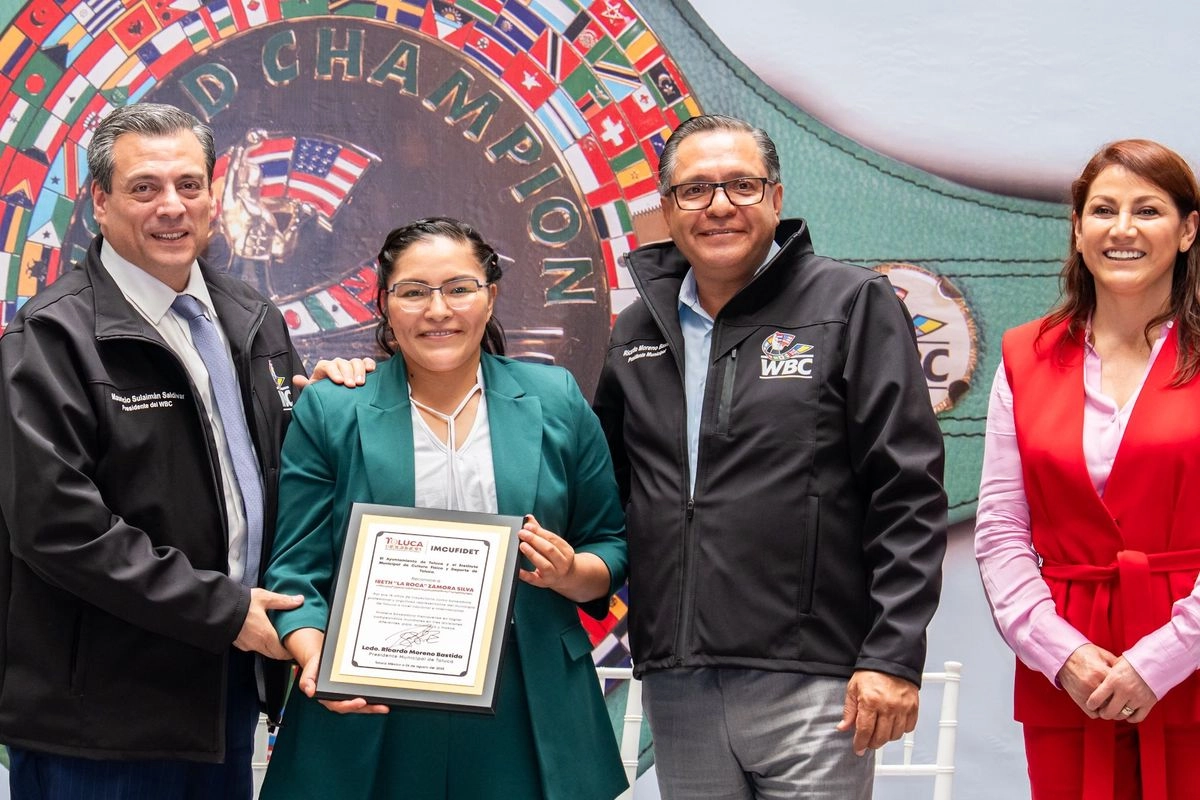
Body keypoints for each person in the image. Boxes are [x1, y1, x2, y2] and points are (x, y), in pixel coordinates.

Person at [0, 102, 371, 800]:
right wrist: (223, 611)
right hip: (100, 719)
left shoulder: (252, 321)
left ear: (212, 197)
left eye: (189, 185)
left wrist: (326, 409)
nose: (172, 206)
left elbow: (283, 484)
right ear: (101, 204)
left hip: (225, 692)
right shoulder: (49, 340)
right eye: (145, 188)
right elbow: (59, 528)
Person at [592, 114, 947, 799]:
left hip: (817, 680)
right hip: (679, 677)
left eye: (741, 185)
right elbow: (610, 487)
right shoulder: (638, 330)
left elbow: (906, 492)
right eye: (694, 190)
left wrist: (893, 654)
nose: (719, 205)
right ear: (667, 211)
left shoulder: (850, 304)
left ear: (777, 200)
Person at [260, 217, 629, 800]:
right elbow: (294, 572)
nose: (438, 310)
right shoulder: (333, 408)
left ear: (490, 297)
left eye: (459, 288)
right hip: (372, 699)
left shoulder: (555, 399)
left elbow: (608, 543)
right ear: (384, 304)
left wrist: (570, 573)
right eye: (414, 292)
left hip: (527, 701)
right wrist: (315, 659)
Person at [975, 139, 1200, 800]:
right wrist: (1062, 655)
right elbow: (1000, 536)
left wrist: (1163, 659)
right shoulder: (1024, 356)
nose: (1122, 229)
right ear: (1077, 228)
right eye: (1103, 209)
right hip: (1071, 681)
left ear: (1188, 229)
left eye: (1148, 210)